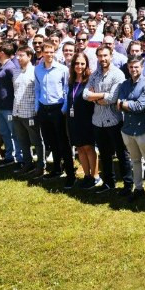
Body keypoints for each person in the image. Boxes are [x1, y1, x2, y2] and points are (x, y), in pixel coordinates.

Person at [84, 46, 129, 193]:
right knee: (104, 154)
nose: (103, 59)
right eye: (100, 56)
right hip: (98, 120)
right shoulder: (95, 74)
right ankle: (109, 182)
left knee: (122, 154)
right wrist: (101, 96)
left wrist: (94, 97)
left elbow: (112, 98)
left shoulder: (118, 75)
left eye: (105, 56)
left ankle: (128, 185)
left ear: (111, 56)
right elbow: (85, 94)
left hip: (114, 120)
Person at [116, 56, 145, 203]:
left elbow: (140, 106)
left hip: (143, 129)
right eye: (131, 67)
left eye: (136, 67)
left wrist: (125, 104)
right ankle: (138, 188)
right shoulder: (124, 84)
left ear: (142, 68)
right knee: (135, 160)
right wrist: (126, 104)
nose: (133, 70)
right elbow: (119, 102)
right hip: (128, 129)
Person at [34, 42, 75, 187]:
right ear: (42, 53)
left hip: (58, 108)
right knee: (50, 141)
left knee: (63, 142)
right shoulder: (37, 69)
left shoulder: (62, 69)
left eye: (51, 52)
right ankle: (56, 168)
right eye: (46, 52)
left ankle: (70, 174)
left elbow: (66, 89)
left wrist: (63, 109)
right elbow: (37, 88)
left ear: (55, 52)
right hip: (43, 109)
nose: (49, 54)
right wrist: (37, 107)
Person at [63, 52, 101, 190]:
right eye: (76, 63)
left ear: (86, 65)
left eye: (82, 63)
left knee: (89, 148)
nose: (79, 66)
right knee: (79, 148)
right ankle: (87, 175)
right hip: (73, 120)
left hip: (87, 119)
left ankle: (95, 176)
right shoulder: (71, 81)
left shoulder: (90, 81)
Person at [9, 46, 44, 176]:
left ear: (29, 56)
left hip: (30, 113)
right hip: (17, 112)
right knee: (22, 139)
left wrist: (36, 110)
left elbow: (38, 92)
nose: (18, 58)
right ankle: (28, 163)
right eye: (17, 55)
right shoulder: (16, 72)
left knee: (36, 140)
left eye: (21, 55)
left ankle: (40, 166)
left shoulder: (35, 72)